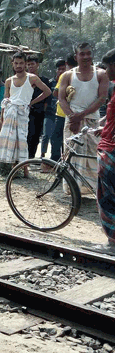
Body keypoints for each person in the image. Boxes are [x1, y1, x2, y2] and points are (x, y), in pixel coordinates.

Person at [58, 43, 109, 194]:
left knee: (93, 155)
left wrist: (81, 116)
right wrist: (73, 117)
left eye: (88, 53)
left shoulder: (101, 74)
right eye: (82, 54)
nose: (86, 57)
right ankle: (72, 190)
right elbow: (61, 99)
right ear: (76, 57)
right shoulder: (68, 75)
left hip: (92, 121)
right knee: (70, 155)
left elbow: (101, 98)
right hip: (72, 121)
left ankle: (93, 189)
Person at [0, 52, 52, 176]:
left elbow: (47, 91)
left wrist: (32, 102)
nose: (18, 65)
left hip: (23, 113)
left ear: (25, 64)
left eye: (21, 63)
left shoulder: (32, 78)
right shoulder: (9, 81)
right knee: (12, 142)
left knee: (23, 141)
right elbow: (5, 101)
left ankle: (25, 170)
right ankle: (15, 169)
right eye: (16, 63)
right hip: (9, 113)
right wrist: (1, 119)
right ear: (13, 64)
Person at [89, 48, 115, 253]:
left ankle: (113, 243)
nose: (106, 71)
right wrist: (105, 126)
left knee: (107, 197)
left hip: (111, 152)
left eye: (107, 67)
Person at [40, 59, 66, 161]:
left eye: (63, 69)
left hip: (62, 113)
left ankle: (62, 159)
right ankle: (43, 157)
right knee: (46, 135)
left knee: (60, 138)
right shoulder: (50, 83)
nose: (61, 71)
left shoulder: (69, 81)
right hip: (50, 113)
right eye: (59, 69)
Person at [26, 55, 51, 158]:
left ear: (37, 65)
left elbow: (47, 97)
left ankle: (30, 157)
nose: (30, 66)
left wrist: (43, 110)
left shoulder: (44, 80)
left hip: (39, 112)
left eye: (32, 64)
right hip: (25, 111)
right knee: (25, 135)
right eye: (28, 64)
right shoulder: (24, 80)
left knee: (35, 136)